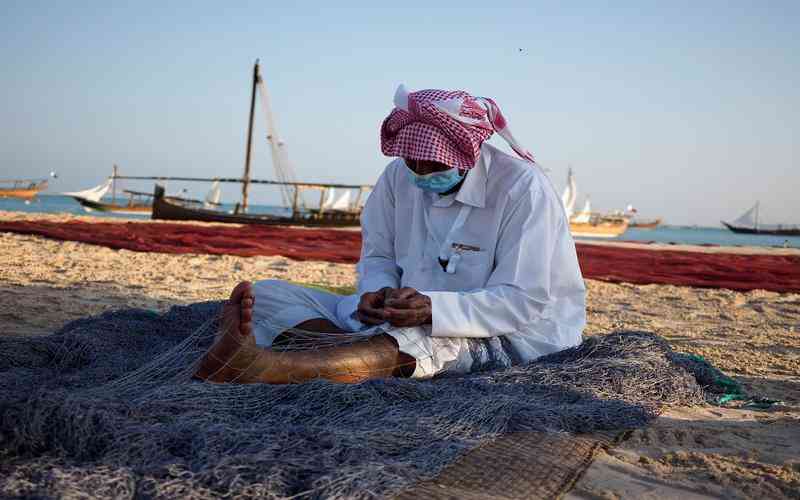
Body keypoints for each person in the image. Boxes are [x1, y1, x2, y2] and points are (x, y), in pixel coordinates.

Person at [194, 85, 586, 384]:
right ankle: (354, 358)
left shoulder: (522, 188)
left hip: (509, 330)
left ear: (468, 151)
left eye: (431, 160)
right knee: (269, 293)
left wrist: (433, 309)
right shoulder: (400, 176)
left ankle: (268, 366)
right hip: (401, 315)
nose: (420, 169)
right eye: (410, 157)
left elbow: (523, 300)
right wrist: (376, 292)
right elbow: (378, 255)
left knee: (425, 339)